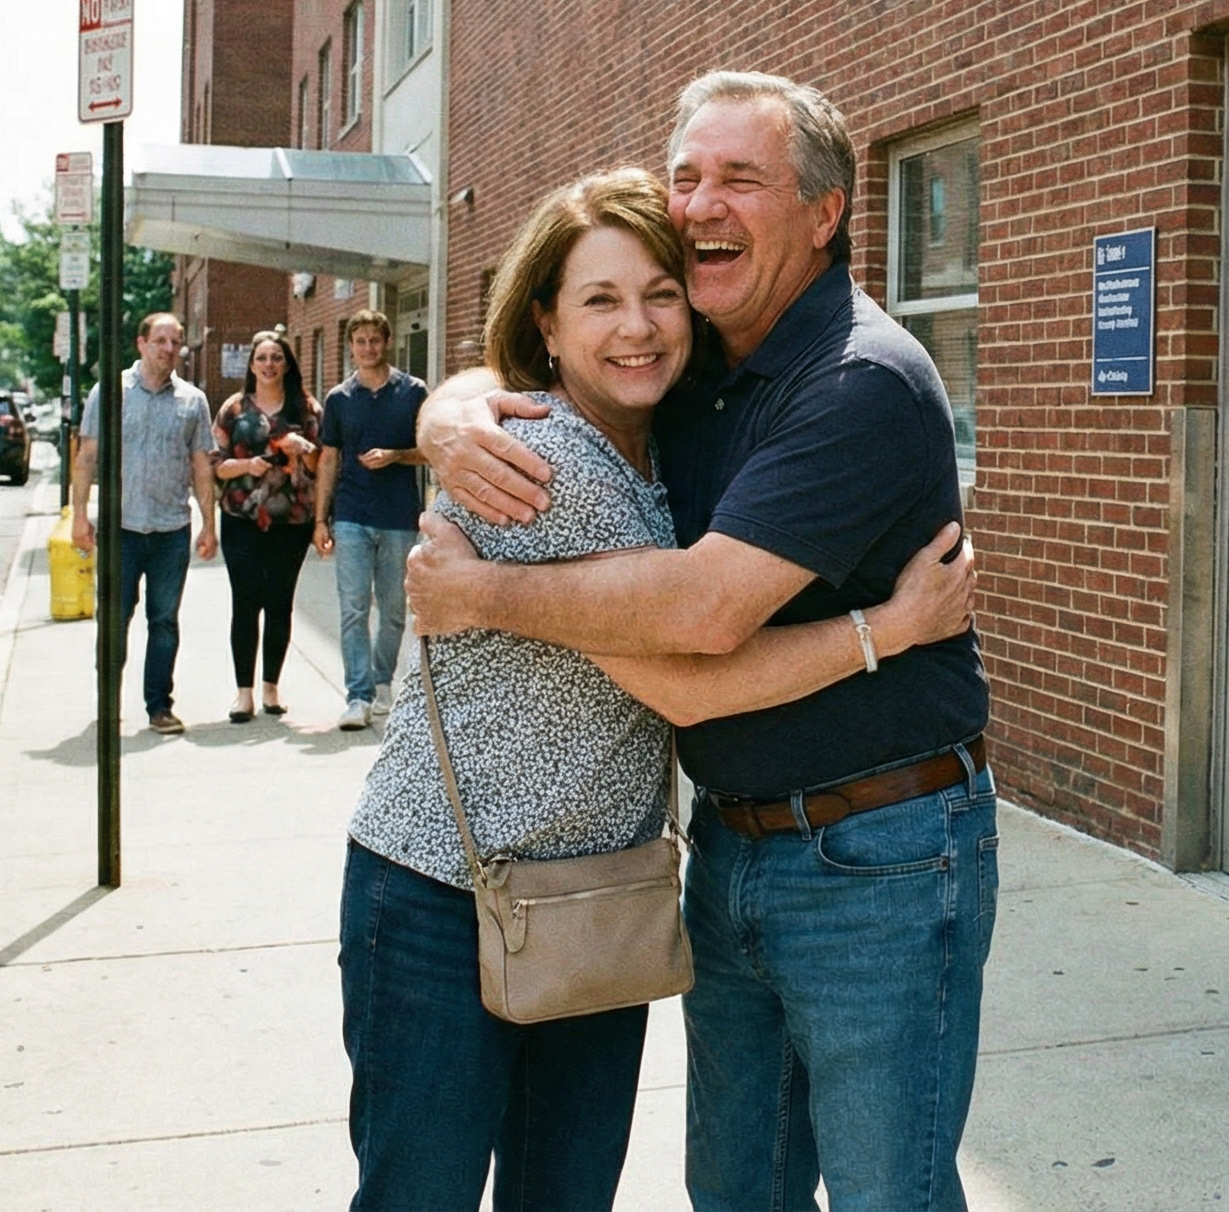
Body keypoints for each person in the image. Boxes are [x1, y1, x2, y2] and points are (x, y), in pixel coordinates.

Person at [410, 73, 989, 1211]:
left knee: (890, 1195)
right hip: (730, 853)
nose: (701, 203)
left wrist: (482, 592)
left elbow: (701, 614)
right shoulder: (705, 357)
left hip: (881, 856)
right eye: (685, 176)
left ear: (824, 214)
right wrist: (450, 414)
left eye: (740, 177)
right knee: (736, 1192)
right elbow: (544, 353)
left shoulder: (856, 380)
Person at [70, 311, 220, 736]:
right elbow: (86, 457)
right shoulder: (111, 393)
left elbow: (201, 467)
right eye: (160, 341)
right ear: (141, 344)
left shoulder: (192, 400)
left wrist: (209, 524)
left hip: (171, 529)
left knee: (164, 621)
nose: (169, 349)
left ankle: (159, 706)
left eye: (176, 343)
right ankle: (109, 704)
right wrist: (80, 516)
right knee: (114, 619)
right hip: (121, 529)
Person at [314, 308, 427, 731]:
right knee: (354, 607)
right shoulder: (339, 398)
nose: (367, 348)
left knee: (395, 608)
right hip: (352, 514)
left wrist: (397, 456)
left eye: (374, 340)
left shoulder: (413, 392)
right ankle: (358, 695)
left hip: (398, 515)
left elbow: (430, 450)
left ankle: (382, 682)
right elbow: (328, 458)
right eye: (359, 341)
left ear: (387, 342)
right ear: (351, 347)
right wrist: (320, 520)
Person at [214, 329, 322, 723]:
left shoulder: (306, 408)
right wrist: (248, 465)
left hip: (291, 519)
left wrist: (304, 450)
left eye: (277, 358)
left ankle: (271, 689)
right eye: (262, 358)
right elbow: (215, 464)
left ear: (288, 364)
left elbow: (322, 466)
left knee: (279, 602)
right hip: (241, 517)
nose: (269, 365)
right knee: (245, 601)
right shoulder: (234, 409)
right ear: (251, 364)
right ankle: (243, 694)